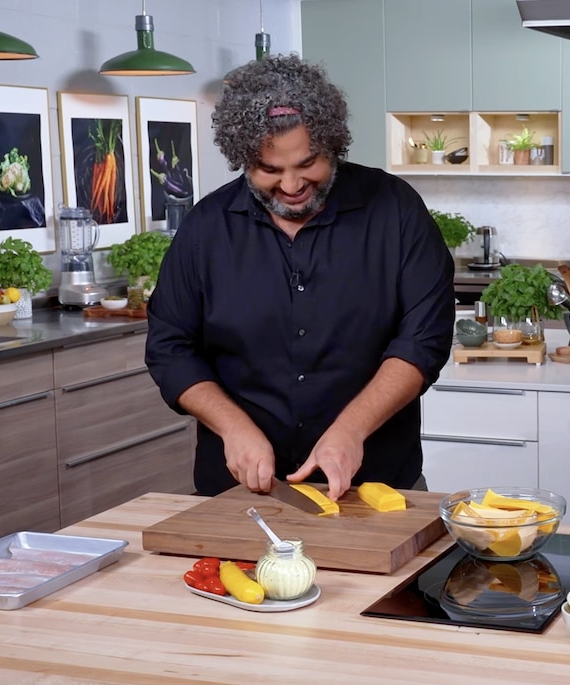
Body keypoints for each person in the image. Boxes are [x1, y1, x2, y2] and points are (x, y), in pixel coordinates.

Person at [145, 54, 455, 501]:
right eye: (270, 170)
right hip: (239, 494)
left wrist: (351, 431)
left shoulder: (395, 211)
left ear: (332, 144)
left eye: (308, 163)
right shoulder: (205, 229)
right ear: (242, 159)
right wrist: (231, 426)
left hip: (377, 488)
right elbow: (169, 347)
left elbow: (423, 341)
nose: (291, 185)